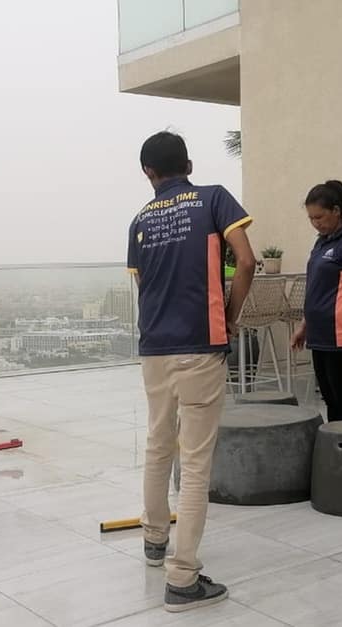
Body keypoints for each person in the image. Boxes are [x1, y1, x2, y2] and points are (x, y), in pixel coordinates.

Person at [127, 131, 255, 613]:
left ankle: (154, 541)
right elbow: (246, 261)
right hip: (201, 345)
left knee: (158, 444)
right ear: (189, 165)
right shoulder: (213, 199)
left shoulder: (140, 220)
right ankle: (183, 579)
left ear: (148, 173)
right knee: (196, 462)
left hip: (154, 349)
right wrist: (231, 316)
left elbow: (145, 285)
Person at [291, 180, 342, 422]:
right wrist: (304, 326)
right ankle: (337, 445)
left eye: (319, 217)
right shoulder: (322, 242)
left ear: (337, 211)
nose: (315, 223)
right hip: (320, 335)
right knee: (330, 399)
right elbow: (318, 288)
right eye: (311, 218)